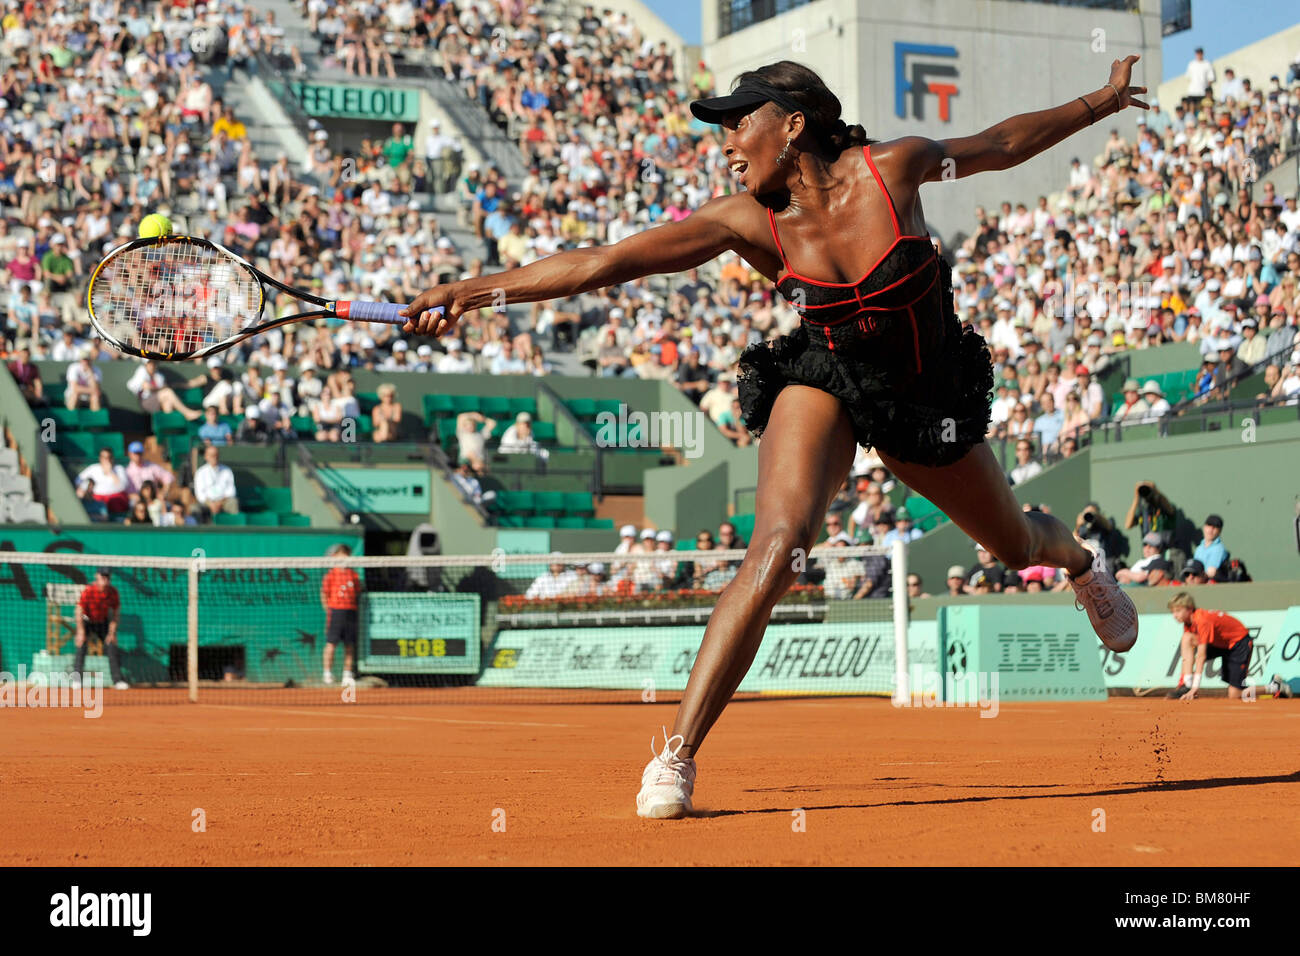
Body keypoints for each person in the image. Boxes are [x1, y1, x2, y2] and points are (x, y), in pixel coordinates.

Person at [399, 57, 1145, 819]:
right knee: (780, 542)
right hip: (826, 379)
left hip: (924, 402)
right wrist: (467, 293)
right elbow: (605, 263)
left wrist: (1104, 100)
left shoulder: (897, 168)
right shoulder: (745, 222)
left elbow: (1002, 142)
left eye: (738, 122)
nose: (725, 141)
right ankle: (677, 755)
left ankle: (1083, 565)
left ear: (792, 126)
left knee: (1020, 544)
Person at [1166, 593, 1291, 700]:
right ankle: (1186, 684)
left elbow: (1201, 656)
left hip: (1239, 644)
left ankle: (1275, 687)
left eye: (1178, 611)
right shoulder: (1188, 623)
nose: (1174, 615)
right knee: (1187, 638)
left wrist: (1195, 688)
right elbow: (1188, 653)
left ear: (1189, 608)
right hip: (1221, 644)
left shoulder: (1202, 621)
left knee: (1235, 694)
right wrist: (1188, 682)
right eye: (1173, 612)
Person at [71, 568, 129, 690]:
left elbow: (115, 614)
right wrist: (81, 632)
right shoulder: (88, 590)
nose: (105, 579)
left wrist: (112, 633)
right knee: (81, 645)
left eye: (107, 577)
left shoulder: (113, 592)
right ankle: (76, 680)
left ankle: (118, 680)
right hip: (86, 619)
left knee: (111, 645)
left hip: (102, 621)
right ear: (96, 577)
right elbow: (79, 611)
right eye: (102, 576)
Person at [321, 544, 360, 686]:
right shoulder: (330, 575)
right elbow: (324, 594)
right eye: (340, 553)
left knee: (349, 645)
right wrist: (329, 610)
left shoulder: (354, 575)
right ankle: (327, 674)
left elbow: (357, 592)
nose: (344, 556)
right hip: (336, 612)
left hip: (351, 611)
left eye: (346, 553)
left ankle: (347, 675)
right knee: (331, 644)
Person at [76, 448, 131, 516]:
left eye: (109, 457)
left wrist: (110, 472)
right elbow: (78, 480)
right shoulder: (93, 468)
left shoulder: (119, 469)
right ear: (100, 458)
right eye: (104, 457)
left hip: (116, 499)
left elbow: (124, 486)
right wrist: (81, 489)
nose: (107, 460)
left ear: (112, 458)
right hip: (97, 499)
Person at [1122, 480, 1176, 546]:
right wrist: (1136, 498)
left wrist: (1155, 490)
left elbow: (1170, 510)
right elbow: (1127, 525)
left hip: (1163, 548)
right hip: (1148, 550)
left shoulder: (1162, 506)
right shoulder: (1142, 509)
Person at [194, 446, 239, 519]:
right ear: (206, 457)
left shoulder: (227, 470)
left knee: (234, 503)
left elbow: (231, 491)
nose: (214, 457)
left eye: (216, 455)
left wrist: (219, 503)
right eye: (211, 455)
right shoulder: (200, 472)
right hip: (207, 503)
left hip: (224, 502)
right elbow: (200, 494)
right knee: (195, 509)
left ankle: (233, 528)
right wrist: (211, 504)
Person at [1192, 514, 1229, 579]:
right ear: (1204, 527)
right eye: (1209, 525)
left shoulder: (1219, 549)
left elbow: (1211, 573)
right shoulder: (1199, 548)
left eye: (1215, 527)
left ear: (1219, 531)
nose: (1211, 530)